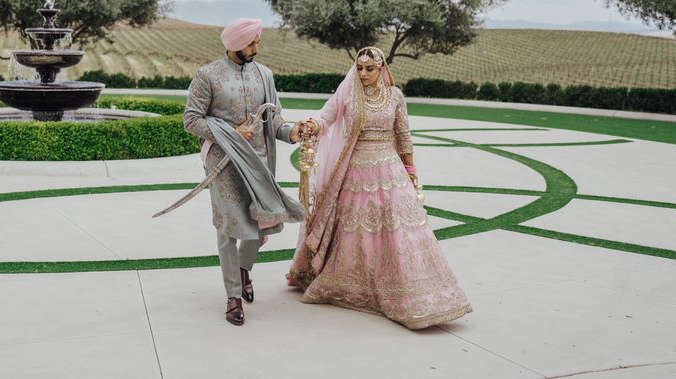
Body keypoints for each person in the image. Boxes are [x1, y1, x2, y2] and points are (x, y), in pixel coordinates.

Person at [286, 46, 472, 329]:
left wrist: (411, 172)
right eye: (359, 68)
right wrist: (311, 124)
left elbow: (403, 135)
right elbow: (326, 117)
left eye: (369, 69)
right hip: (356, 170)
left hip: (390, 170)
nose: (363, 74)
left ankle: (411, 289)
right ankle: (352, 285)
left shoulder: (395, 96)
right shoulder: (349, 95)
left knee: (401, 230)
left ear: (382, 68)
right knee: (355, 229)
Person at [183, 17, 305, 326]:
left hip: (259, 163)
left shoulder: (265, 76)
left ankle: (243, 269)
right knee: (228, 227)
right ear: (235, 44)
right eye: (251, 43)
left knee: (258, 226)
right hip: (223, 164)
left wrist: (292, 133)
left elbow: (274, 121)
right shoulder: (208, 75)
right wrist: (230, 131)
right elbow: (191, 120)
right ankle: (233, 296)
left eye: (257, 42)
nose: (256, 48)